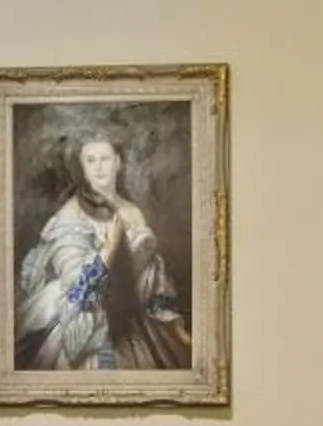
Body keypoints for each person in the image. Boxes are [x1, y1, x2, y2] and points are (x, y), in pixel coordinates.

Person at [16, 136, 192, 371]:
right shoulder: (70, 215)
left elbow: (150, 279)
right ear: (82, 167)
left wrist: (145, 270)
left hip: (132, 321)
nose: (99, 167)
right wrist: (109, 249)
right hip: (86, 318)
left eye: (105, 159)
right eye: (91, 160)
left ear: (117, 163)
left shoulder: (132, 212)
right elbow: (75, 285)